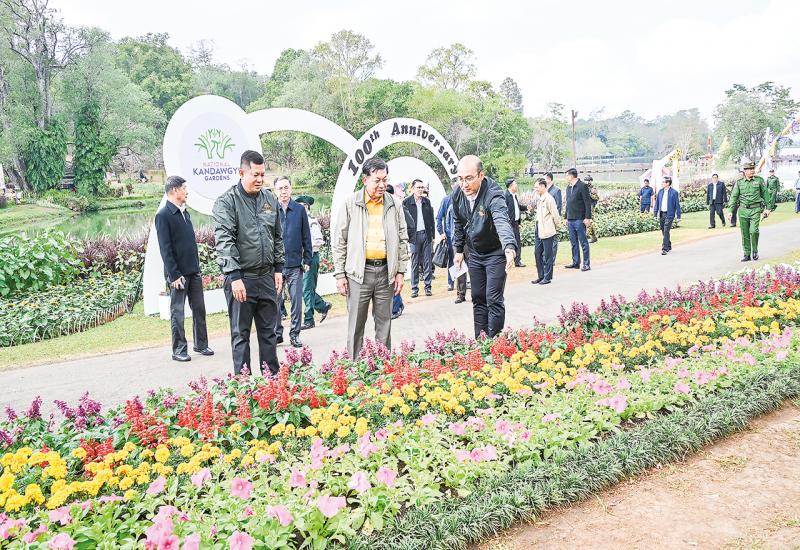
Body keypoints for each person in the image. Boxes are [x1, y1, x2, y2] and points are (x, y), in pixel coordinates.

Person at [213, 150, 284, 376]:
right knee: (240, 335)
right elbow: (225, 240)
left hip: (266, 277)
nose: (260, 179)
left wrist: (278, 269)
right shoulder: (227, 202)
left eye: (263, 174)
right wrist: (234, 276)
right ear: (241, 173)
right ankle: (244, 385)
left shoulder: (270, 199)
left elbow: (277, 237)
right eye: (255, 175)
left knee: (269, 333)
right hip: (241, 279)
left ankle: (272, 384)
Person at [332, 157, 409, 359]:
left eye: (385, 180)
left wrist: (400, 272)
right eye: (377, 180)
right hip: (359, 274)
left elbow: (403, 239)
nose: (382, 185)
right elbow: (339, 240)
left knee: (384, 324)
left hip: (386, 273)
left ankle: (382, 367)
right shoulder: (350, 203)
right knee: (356, 325)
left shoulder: (394, 204)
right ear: (365, 180)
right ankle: (355, 366)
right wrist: (340, 275)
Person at [452, 155, 517, 338]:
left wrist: (509, 246)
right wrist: (459, 250)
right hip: (474, 254)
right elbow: (458, 221)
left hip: (495, 253)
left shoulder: (494, 194)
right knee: (478, 298)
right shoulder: (457, 194)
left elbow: (501, 220)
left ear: (481, 175)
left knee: (493, 299)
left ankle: (495, 343)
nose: (464, 184)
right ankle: (481, 342)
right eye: (460, 179)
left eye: (469, 178)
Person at [154, 176, 212, 362]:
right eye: (184, 188)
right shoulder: (163, 215)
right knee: (178, 313)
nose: (186, 192)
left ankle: (201, 344)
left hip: (193, 271)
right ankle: (179, 350)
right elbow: (165, 249)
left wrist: (197, 268)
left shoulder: (185, 212)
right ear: (174, 190)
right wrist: (174, 275)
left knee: (199, 309)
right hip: (177, 275)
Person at [272, 176, 312, 348]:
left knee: (296, 301)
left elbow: (306, 235)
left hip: (295, 264)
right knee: (275, 302)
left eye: (286, 187)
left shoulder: (299, 210)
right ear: (275, 191)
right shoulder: (271, 209)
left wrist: (308, 258)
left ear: (291, 188)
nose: (283, 191)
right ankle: (277, 334)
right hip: (276, 266)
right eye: (280, 188)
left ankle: (295, 334)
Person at [297, 196, 332, 330]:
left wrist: (306, 250)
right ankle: (322, 306)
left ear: (306, 206)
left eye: (300, 205)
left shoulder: (311, 221)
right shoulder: (299, 221)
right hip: (301, 258)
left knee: (306, 289)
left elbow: (318, 240)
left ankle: (309, 320)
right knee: (303, 288)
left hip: (310, 257)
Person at [730, 161, 774, 261]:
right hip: (743, 210)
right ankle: (746, 254)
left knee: (754, 231)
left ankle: (755, 250)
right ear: (745, 171)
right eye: (750, 169)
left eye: (753, 169)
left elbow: (765, 194)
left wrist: (768, 208)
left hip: (755, 209)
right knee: (745, 233)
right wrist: (730, 211)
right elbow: (734, 197)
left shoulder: (759, 180)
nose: (752, 171)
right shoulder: (739, 182)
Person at [403, 179, 435, 298]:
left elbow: (431, 220)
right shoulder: (406, 202)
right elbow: (403, 221)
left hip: (426, 235)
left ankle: (428, 287)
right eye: (418, 187)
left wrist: (433, 236)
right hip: (413, 237)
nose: (421, 189)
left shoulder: (427, 201)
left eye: (422, 187)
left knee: (427, 262)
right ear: (412, 188)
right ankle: (414, 288)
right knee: (414, 263)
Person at [531, 178, 561, 285]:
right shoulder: (539, 198)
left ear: (543, 186)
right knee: (537, 253)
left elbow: (555, 215)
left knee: (548, 255)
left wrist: (557, 227)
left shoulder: (549, 199)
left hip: (547, 230)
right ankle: (541, 276)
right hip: (539, 229)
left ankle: (547, 277)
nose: (535, 189)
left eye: (537, 187)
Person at [563, 168, 593, 271]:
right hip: (570, 219)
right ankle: (575, 262)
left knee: (583, 242)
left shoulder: (582, 186)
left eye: (567, 175)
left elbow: (587, 203)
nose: (566, 177)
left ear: (572, 176)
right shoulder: (568, 187)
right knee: (573, 242)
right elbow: (568, 203)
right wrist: (566, 217)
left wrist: (588, 217)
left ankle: (586, 264)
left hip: (580, 219)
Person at [386, 184, 405, 319]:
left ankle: (395, 307)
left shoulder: (397, 206)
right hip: (383, 251)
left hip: (395, 250)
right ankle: (398, 304)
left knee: (393, 279)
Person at [436, 178, 459, 292]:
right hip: (450, 236)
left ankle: (463, 282)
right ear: (452, 186)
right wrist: (441, 232)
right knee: (452, 259)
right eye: (456, 185)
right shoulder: (446, 200)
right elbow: (439, 217)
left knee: (465, 258)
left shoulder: (464, 198)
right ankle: (451, 282)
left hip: (462, 235)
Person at [654, 176, 681, 255]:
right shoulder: (660, 191)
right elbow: (657, 203)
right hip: (662, 214)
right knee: (663, 230)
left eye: (663, 182)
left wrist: (678, 216)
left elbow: (677, 205)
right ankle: (668, 245)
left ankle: (664, 248)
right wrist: (655, 214)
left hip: (670, 214)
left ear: (668, 183)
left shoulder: (674, 192)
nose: (662, 183)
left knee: (666, 230)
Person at [504, 178, 528, 267]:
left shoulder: (514, 195)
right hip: (509, 224)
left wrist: (526, 207)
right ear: (511, 186)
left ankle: (517, 261)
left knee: (517, 242)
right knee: (509, 242)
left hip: (515, 223)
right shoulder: (506, 196)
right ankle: (506, 261)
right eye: (515, 184)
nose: (516, 186)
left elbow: (517, 207)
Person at [545, 172, 563, 267]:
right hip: (545, 220)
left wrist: (555, 220)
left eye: (545, 179)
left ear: (549, 179)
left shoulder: (556, 190)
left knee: (554, 240)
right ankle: (546, 259)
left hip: (553, 219)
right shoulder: (544, 190)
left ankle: (552, 260)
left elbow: (559, 206)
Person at [584, 175, 600, 243]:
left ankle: (588, 235)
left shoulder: (593, 188)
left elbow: (597, 198)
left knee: (590, 221)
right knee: (587, 222)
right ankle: (593, 237)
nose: (587, 182)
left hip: (591, 206)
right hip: (585, 206)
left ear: (590, 181)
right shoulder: (584, 187)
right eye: (586, 180)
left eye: (588, 180)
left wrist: (590, 194)